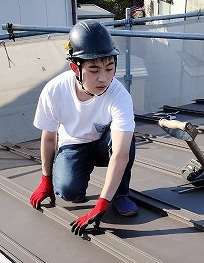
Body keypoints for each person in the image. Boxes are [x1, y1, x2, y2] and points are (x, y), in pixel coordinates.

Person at [29, 19, 138, 235]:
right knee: (68, 192)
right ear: (75, 67)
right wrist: (45, 180)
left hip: (104, 144)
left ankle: (119, 194)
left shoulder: (119, 95)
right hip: (74, 144)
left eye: (109, 68)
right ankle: (73, 183)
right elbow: (49, 138)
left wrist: (101, 205)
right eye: (94, 69)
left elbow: (121, 154)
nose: (103, 78)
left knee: (126, 139)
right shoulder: (54, 91)